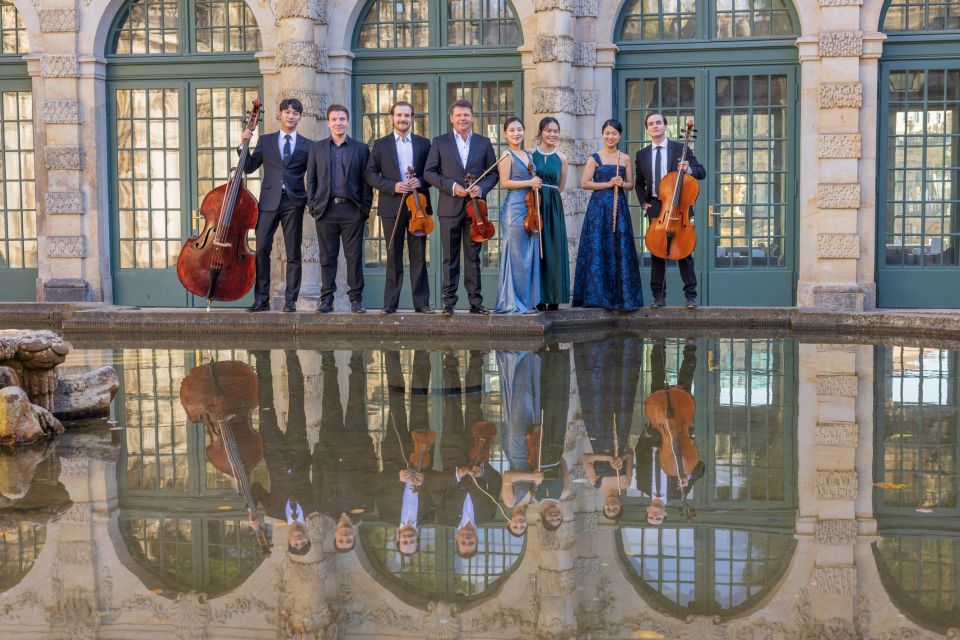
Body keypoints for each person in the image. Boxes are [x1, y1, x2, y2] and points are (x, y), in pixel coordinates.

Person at [424, 99, 498, 316]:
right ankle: (449, 304)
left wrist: (481, 188)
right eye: (458, 115)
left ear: (472, 117)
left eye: (466, 115)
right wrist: (453, 187)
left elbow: (493, 173)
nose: (463, 119)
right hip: (449, 207)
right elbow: (429, 172)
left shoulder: (484, 143)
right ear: (451, 118)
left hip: (476, 210)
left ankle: (476, 303)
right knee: (450, 257)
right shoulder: (440, 142)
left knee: (473, 257)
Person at [240, 98, 313, 312]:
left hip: (294, 201)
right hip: (269, 201)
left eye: (295, 113)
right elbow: (250, 168)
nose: (291, 116)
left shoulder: (308, 145)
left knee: (293, 252)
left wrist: (309, 197)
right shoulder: (266, 140)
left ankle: (291, 302)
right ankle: (262, 300)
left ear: (300, 117)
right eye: (287, 112)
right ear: (279, 114)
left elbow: (315, 175)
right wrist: (243, 145)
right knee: (262, 248)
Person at [364, 101, 435, 314]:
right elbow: (370, 174)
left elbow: (432, 173)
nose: (403, 119)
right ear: (392, 118)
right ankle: (390, 304)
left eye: (407, 115)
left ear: (412, 118)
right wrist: (393, 186)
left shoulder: (424, 144)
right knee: (393, 256)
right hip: (391, 206)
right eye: (399, 115)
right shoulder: (381, 144)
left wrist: (420, 181)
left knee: (418, 256)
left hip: (418, 208)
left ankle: (421, 304)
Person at [306, 104, 374, 314]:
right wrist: (313, 206)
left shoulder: (361, 149)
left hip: (352, 210)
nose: (338, 123)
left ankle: (356, 300)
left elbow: (367, 182)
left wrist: (364, 209)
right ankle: (327, 300)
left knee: (354, 257)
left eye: (342, 119)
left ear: (347, 121)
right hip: (326, 211)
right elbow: (312, 180)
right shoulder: (317, 148)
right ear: (329, 123)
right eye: (334, 119)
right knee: (327, 257)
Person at [635, 112, 706, 309]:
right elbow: (639, 184)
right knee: (657, 252)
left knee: (684, 252)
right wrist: (644, 204)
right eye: (651, 123)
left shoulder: (679, 148)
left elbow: (701, 172)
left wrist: (688, 169)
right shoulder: (642, 154)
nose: (655, 126)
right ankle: (658, 297)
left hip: (680, 206)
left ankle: (690, 296)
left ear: (665, 126)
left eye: (658, 122)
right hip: (658, 206)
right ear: (647, 129)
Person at [572, 119, 643, 311]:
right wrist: (608, 184)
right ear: (602, 134)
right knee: (598, 247)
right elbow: (585, 183)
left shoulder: (625, 158)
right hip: (599, 209)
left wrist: (621, 184)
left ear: (619, 136)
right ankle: (598, 297)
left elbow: (630, 185)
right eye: (607, 133)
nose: (610, 137)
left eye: (614, 133)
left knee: (618, 247)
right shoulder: (594, 158)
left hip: (618, 207)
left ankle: (621, 298)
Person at [493, 117, 541, 314]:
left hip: (531, 207)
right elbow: (505, 182)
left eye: (519, 129)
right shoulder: (506, 155)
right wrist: (530, 183)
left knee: (528, 253)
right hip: (514, 207)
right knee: (515, 254)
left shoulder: (528, 154)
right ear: (505, 134)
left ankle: (527, 300)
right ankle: (512, 302)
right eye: (511, 130)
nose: (516, 133)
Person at [531, 117, 570, 311]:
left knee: (554, 250)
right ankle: (539, 297)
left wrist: (549, 196)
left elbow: (560, 187)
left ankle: (554, 297)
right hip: (535, 205)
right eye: (548, 130)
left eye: (556, 131)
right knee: (537, 251)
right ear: (540, 132)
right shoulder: (530, 155)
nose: (553, 134)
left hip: (553, 205)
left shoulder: (562, 158)